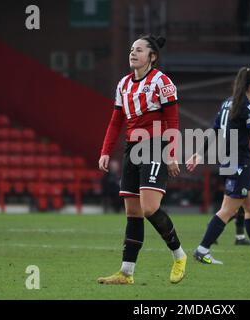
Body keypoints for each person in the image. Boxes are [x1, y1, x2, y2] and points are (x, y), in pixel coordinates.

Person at [97, 35, 187, 285]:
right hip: (132, 148)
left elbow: (173, 121)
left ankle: (179, 256)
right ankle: (126, 273)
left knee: (149, 207)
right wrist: (106, 151)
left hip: (155, 146)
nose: (133, 53)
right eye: (131, 49)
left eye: (139, 50)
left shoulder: (162, 82)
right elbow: (116, 122)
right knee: (133, 212)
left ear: (152, 56)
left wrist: (170, 153)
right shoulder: (123, 84)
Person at [186, 67, 250, 265]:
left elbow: (213, 130)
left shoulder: (227, 103)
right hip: (238, 165)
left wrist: (200, 153)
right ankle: (202, 250)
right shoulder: (245, 107)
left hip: (232, 162)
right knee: (228, 210)